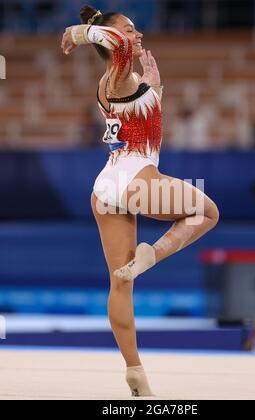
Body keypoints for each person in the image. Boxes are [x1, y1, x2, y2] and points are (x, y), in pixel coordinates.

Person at [62, 5, 219, 397]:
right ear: (114, 37)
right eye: (131, 30)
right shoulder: (116, 74)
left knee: (120, 283)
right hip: (133, 177)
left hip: (107, 188)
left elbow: (141, 117)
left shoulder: (123, 82)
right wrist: (80, 31)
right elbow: (112, 42)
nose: (138, 35)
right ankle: (155, 253)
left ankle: (135, 373)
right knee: (206, 212)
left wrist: (155, 88)